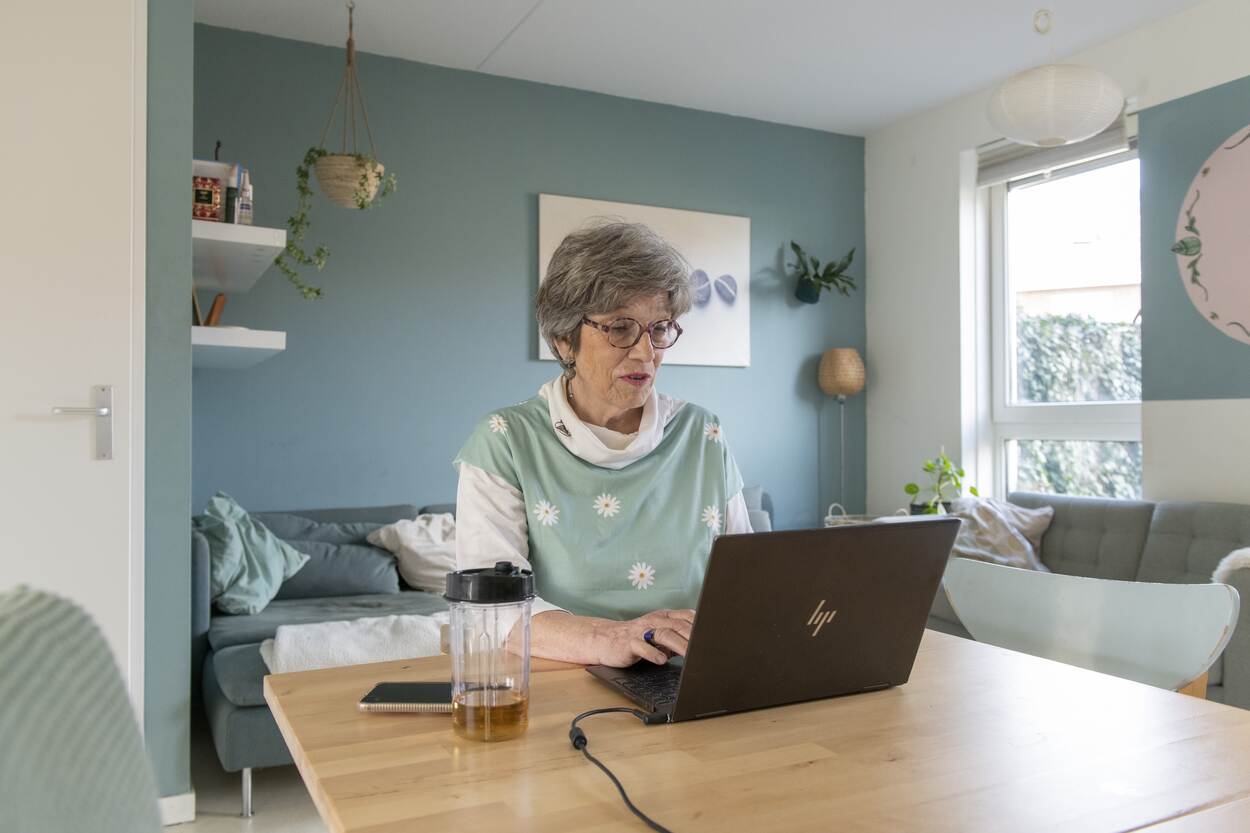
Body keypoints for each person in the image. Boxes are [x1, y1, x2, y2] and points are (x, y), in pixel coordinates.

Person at [454, 221, 751, 667]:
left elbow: (747, 584)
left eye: (660, 329)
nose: (645, 353)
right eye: (619, 328)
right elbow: (493, 612)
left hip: (695, 684)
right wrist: (613, 637)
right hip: (565, 689)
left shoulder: (703, 434)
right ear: (563, 339)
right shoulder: (505, 441)